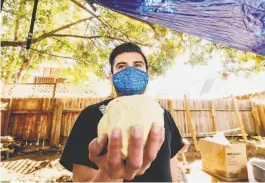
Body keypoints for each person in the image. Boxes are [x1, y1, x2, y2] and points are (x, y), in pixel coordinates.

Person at [59, 42, 185, 182]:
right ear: (111, 77)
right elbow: (80, 180)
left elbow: (172, 162)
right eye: (121, 66)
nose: (130, 71)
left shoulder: (162, 113)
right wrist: (109, 175)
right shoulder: (90, 115)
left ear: (147, 74)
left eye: (137, 65)